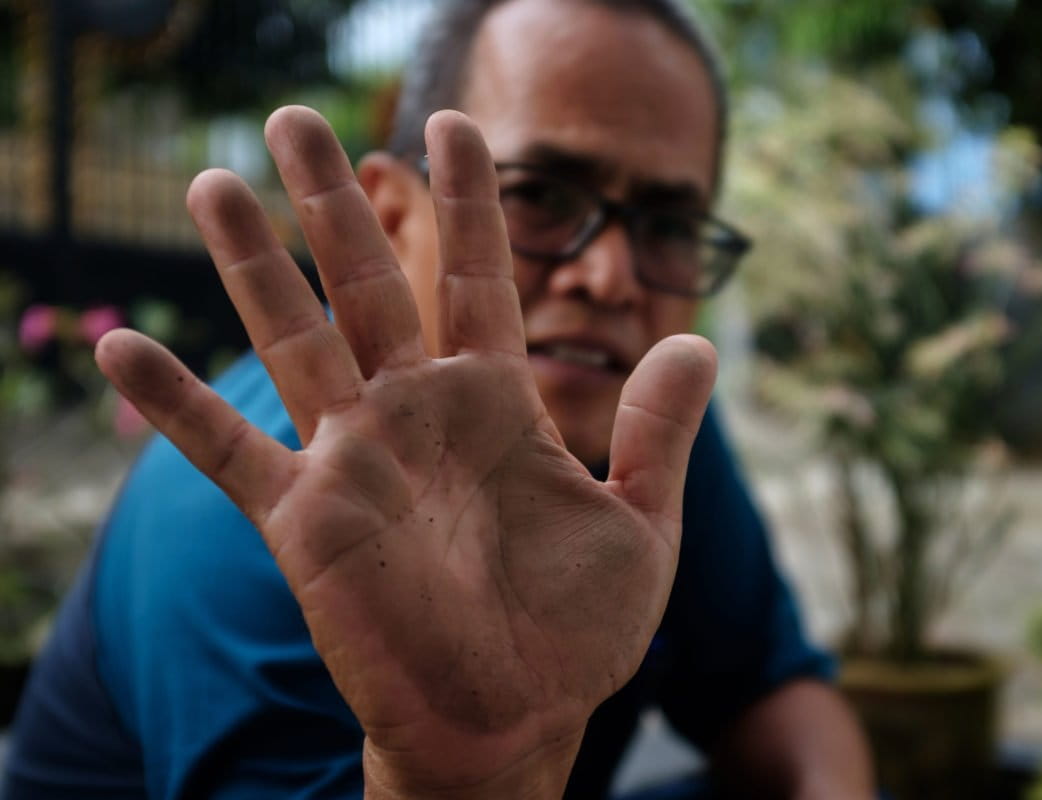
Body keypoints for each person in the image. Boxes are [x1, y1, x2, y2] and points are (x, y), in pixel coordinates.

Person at [3, 1, 874, 798]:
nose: (610, 278)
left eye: (669, 227)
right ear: (389, 213)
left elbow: (772, 689)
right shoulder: (258, 518)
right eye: (536, 196)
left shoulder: (633, 415)